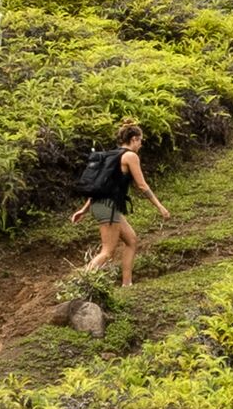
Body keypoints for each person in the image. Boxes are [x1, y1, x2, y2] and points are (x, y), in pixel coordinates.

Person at [69, 118, 163, 287]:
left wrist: (84, 210)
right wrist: (160, 207)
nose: (141, 144)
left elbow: (101, 186)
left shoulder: (110, 156)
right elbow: (142, 185)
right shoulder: (130, 156)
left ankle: (127, 284)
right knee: (107, 251)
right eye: (140, 140)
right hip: (109, 207)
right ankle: (79, 281)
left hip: (102, 204)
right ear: (134, 139)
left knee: (132, 241)